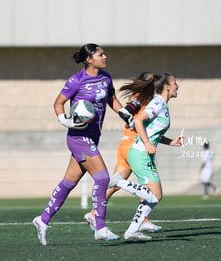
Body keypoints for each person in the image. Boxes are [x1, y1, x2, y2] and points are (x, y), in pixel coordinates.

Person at [32, 43, 134, 245]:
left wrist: (123, 113)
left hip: (93, 137)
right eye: (100, 54)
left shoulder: (106, 77)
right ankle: (100, 227)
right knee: (103, 177)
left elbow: (112, 98)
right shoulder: (76, 81)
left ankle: (42, 220)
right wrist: (64, 120)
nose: (105, 57)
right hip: (79, 137)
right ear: (89, 59)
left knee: (69, 182)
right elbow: (58, 102)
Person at [83, 72, 184, 233]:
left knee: (138, 186)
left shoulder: (147, 98)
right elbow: (135, 117)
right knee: (149, 189)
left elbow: (149, 126)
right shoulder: (145, 98)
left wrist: (170, 142)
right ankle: (139, 221)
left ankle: (96, 213)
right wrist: (145, 140)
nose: (155, 82)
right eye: (153, 80)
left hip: (128, 144)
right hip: (134, 145)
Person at [109, 72, 179, 240]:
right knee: (155, 195)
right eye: (175, 83)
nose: (178, 86)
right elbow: (139, 120)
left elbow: (152, 131)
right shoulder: (158, 102)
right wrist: (147, 143)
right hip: (140, 153)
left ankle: (132, 231)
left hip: (141, 153)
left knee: (152, 197)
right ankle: (119, 182)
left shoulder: (162, 104)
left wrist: (171, 142)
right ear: (167, 87)